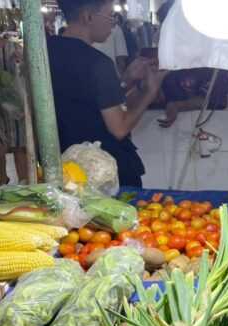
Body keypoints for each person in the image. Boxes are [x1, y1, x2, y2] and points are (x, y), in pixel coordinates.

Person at [50, 0, 167, 187]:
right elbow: (119, 128)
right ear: (89, 17)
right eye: (110, 16)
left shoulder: (46, 52)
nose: (114, 23)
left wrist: (127, 79)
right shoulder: (98, 63)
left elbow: (88, 101)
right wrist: (150, 92)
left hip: (63, 168)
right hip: (102, 172)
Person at [155, 0, 228, 127]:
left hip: (211, 129)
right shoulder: (159, 60)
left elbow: (213, 97)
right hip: (161, 134)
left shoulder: (210, 59)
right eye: (163, 27)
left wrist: (178, 106)